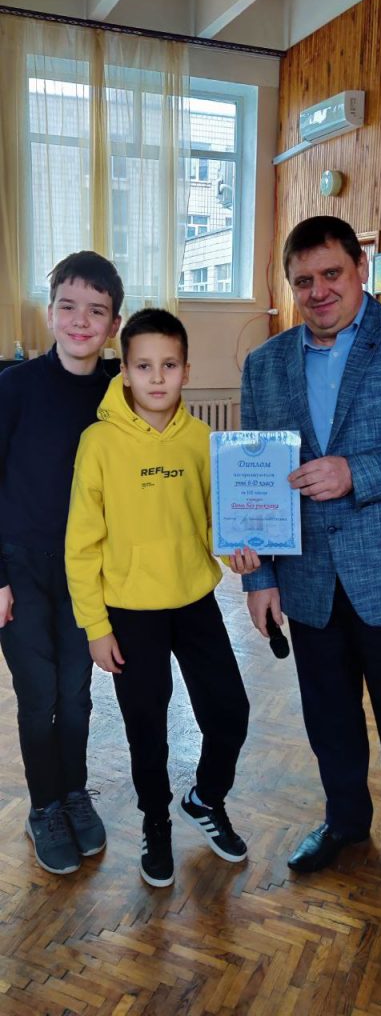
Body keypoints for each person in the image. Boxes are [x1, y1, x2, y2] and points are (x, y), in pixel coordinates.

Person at [240, 215, 381, 941]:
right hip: (307, 580)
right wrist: (259, 579)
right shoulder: (264, 364)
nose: (318, 291)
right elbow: (254, 482)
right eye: (302, 280)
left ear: (359, 267)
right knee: (328, 720)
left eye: (331, 274)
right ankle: (344, 822)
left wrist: (356, 473)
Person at [65, 307, 258, 889]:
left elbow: (210, 522)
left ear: (186, 371)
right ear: (124, 371)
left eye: (169, 365)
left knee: (230, 710)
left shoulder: (201, 440)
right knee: (146, 726)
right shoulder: (98, 442)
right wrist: (96, 625)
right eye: (144, 366)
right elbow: (81, 545)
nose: (156, 377)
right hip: (129, 614)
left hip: (195, 604)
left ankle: (206, 797)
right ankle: (156, 819)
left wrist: (235, 550)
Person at [0, 250, 124, 875]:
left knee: (75, 695)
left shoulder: (122, 394)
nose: (81, 320)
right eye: (68, 307)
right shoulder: (14, 387)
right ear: (49, 313)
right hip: (20, 568)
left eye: (96, 311)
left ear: (114, 324)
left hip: (88, 574)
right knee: (38, 694)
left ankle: (74, 791)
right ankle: (45, 805)